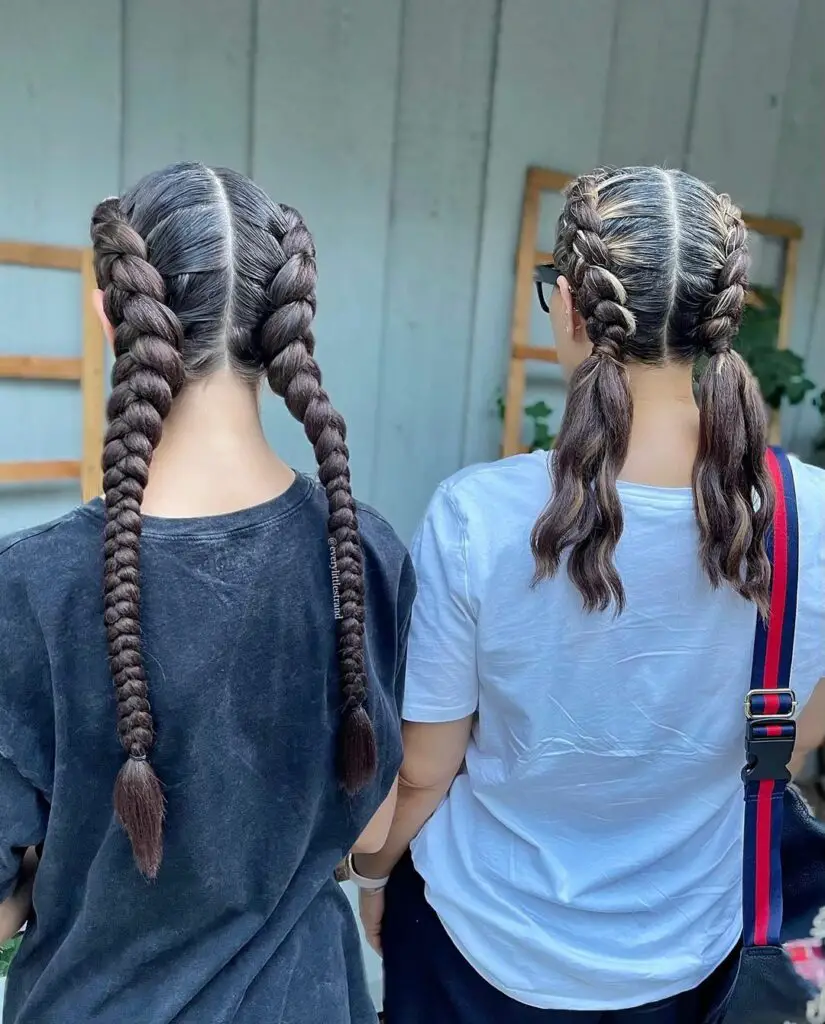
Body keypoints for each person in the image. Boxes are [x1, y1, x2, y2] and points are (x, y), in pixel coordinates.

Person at [352, 166, 825, 1023]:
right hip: (685, 951)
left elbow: (424, 769)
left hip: (476, 939)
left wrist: (374, 871)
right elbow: (796, 732)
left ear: (569, 304)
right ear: (725, 313)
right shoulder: (812, 517)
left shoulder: (476, 513)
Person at [0, 162, 414, 1023]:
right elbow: (369, 832)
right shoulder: (362, 552)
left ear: (109, 311)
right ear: (287, 323)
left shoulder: (30, 582)